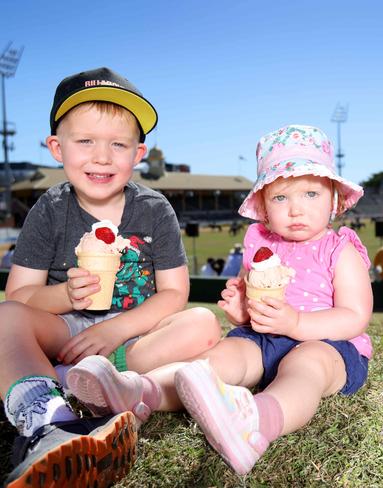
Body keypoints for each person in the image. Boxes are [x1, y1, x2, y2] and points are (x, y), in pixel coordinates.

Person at [64, 124, 373, 475]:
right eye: (281, 198)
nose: (296, 209)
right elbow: (249, 310)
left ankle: (256, 422)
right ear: (264, 207)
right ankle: (139, 391)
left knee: (306, 366)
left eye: (311, 195)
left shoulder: (340, 248)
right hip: (264, 340)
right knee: (213, 362)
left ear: (334, 199)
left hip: (328, 345)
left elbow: (355, 315)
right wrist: (241, 313)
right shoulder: (261, 243)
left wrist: (298, 324)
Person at [0, 67, 221, 487]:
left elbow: (174, 293)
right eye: (85, 141)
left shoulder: (154, 209)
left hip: (134, 340)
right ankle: (50, 421)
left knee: (203, 323)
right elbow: (20, 295)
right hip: (66, 333)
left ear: (138, 154)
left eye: (118, 145)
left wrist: (117, 329)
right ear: (56, 147)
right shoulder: (49, 209)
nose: (102, 157)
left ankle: (95, 381)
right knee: (4, 319)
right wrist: (65, 294)